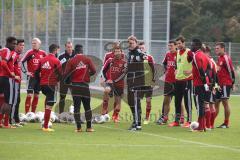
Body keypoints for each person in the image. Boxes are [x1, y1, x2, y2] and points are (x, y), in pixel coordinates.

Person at [64, 44, 96, 132]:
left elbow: (66, 74)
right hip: (85, 86)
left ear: (75, 51)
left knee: (77, 107)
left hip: (75, 86)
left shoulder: (71, 61)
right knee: (87, 107)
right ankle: (89, 127)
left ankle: (78, 128)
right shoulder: (87, 59)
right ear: (82, 51)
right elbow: (94, 70)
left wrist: (68, 82)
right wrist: (87, 75)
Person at [35, 44, 62, 132]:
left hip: (42, 85)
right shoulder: (56, 61)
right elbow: (60, 75)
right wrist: (57, 81)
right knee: (49, 106)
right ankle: (46, 126)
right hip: (51, 85)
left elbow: (36, 72)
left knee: (48, 102)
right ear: (55, 51)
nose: (58, 52)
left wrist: (40, 80)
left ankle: (46, 121)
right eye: (58, 50)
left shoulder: (42, 60)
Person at [169, 36, 193, 128]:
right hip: (178, 80)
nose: (178, 45)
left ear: (184, 43)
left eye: (180, 43)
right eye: (177, 44)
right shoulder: (178, 52)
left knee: (187, 102)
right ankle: (177, 121)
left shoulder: (189, 52)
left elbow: (196, 63)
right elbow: (177, 64)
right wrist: (175, 69)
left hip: (187, 80)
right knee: (177, 101)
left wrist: (191, 71)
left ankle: (189, 121)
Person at [127, 35, 148, 131]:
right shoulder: (130, 53)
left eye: (131, 43)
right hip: (131, 80)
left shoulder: (138, 51)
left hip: (137, 81)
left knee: (136, 102)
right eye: (129, 43)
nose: (130, 44)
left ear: (136, 43)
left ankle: (138, 124)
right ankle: (135, 121)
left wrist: (143, 56)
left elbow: (144, 56)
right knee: (131, 101)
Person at [190, 39, 211, 132]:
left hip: (199, 84)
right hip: (204, 83)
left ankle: (201, 127)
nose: (191, 46)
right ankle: (203, 126)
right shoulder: (204, 55)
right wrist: (207, 80)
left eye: (193, 45)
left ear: (197, 46)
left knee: (199, 105)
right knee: (202, 104)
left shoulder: (196, 55)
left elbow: (200, 70)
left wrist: (204, 81)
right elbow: (209, 68)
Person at [102, 45, 127, 123]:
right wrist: (107, 79)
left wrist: (115, 81)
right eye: (116, 51)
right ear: (114, 53)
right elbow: (103, 70)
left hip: (119, 84)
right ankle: (104, 108)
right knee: (106, 91)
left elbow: (124, 74)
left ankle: (115, 115)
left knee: (118, 101)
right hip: (110, 83)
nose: (117, 53)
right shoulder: (109, 60)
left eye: (119, 51)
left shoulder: (124, 62)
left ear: (121, 52)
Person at [21, 38, 46, 113]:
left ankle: (33, 113)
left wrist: (44, 73)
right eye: (32, 43)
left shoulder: (43, 53)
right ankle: (27, 113)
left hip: (39, 78)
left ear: (39, 44)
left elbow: (46, 64)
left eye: (35, 43)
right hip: (31, 77)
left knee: (37, 95)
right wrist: (26, 72)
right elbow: (21, 62)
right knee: (29, 95)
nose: (33, 44)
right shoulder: (29, 52)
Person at [214, 42, 235, 128]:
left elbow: (231, 71)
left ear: (223, 48)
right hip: (219, 85)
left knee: (225, 102)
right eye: (215, 48)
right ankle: (210, 121)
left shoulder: (226, 58)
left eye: (217, 48)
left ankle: (226, 123)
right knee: (216, 102)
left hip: (226, 84)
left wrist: (232, 83)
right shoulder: (219, 58)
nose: (216, 50)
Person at [156, 40, 177, 125]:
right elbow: (164, 64)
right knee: (166, 100)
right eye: (169, 46)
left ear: (175, 46)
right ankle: (164, 118)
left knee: (178, 101)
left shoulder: (179, 55)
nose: (169, 47)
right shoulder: (168, 55)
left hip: (177, 81)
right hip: (168, 81)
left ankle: (180, 118)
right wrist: (165, 71)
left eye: (171, 46)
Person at [0, 36, 19, 128]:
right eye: (13, 43)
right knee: (9, 102)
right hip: (7, 78)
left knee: (4, 101)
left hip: (1, 77)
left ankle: (1, 122)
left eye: (16, 44)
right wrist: (11, 73)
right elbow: (3, 63)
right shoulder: (7, 50)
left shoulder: (2, 50)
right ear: (8, 43)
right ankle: (6, 123)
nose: (15, 45)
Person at [138, 42, 155, 125]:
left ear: (145, 49)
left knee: (148, 101)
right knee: (138, 101)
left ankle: (147, 118)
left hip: (148, 83)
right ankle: (138, 116)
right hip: (139, 83)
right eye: (140, 48)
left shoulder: (149, 58)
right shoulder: (136, 58)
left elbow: (153, 70)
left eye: (142, 48)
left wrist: (153, 80)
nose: (141, 49)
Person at [10, 39, 25, 127]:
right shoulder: (14, 55)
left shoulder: (19, 55)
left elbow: (18, 68)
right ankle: (11, 121)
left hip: (18, 81)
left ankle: (16, 119)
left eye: (23, 45)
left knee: (17, 100)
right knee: (14, 101)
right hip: (13, 81)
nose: (22, 47)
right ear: (16, 46)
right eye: (20, 45)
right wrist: (14, 76)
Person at [58, 41, 75, 113]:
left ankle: (75, 112)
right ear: (65, 47)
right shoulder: (61, 56)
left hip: (74, 79)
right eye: (68, 47)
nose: (70, 48)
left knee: (76, 97)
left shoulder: (76, 55)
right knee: (62, 97)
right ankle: (60, 113)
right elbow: (58, 68)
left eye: (71, 47)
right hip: (63, 80)